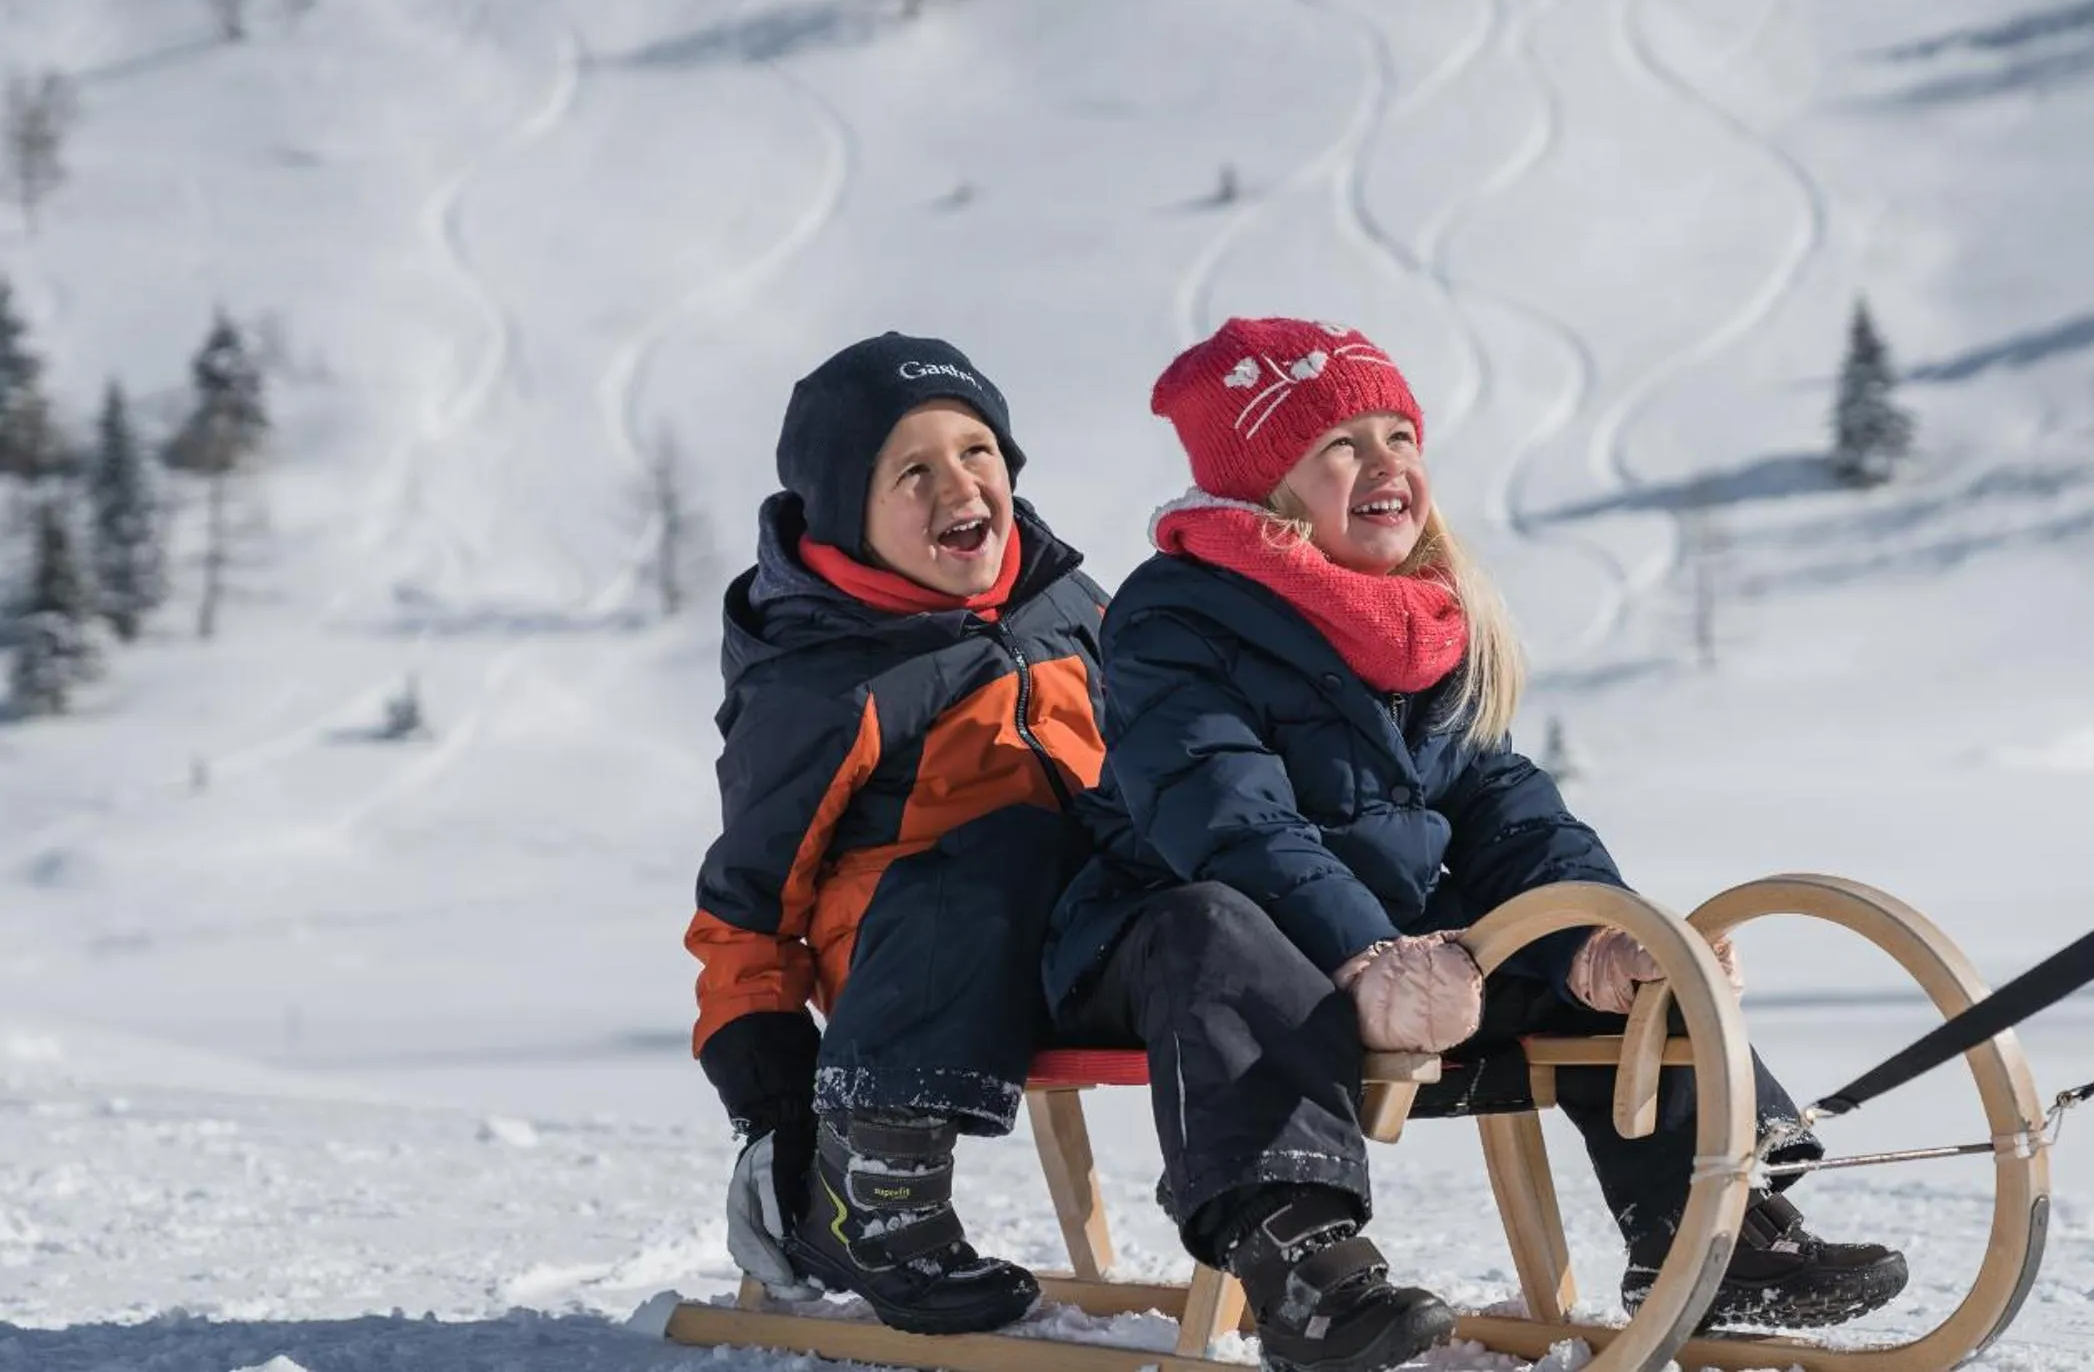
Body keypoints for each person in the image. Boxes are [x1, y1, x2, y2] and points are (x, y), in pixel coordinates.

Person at [1045, 317, 1908, 1372]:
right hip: (1174, 946)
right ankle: (1297, 1258)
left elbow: (1509, 813)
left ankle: (1719, 1229)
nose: (1385, 465)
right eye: (1337, 447)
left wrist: (1597, 938)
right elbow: (1225, 817)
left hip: (1392, 958)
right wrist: (1370, 953)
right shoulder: (1172, 619)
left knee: (1624, 952)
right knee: (1216, 923)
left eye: (1397, 434)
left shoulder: (1419, 622)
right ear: (1268, 489)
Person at [688, 333, 1109, 1336]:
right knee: (1006, 845)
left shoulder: (1071, 606)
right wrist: (774, 1100)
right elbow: (746, 902)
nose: (958, 484)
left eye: (977, 451)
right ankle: (875, 1204)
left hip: (1072, 928)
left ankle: (1280, 1220)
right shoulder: (823, 680)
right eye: (911, 469)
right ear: (849, 513)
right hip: (906, 950)